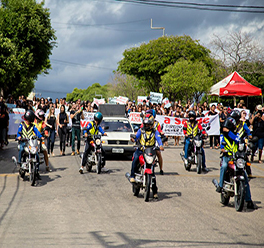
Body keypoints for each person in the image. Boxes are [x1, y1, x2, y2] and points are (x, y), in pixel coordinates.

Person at [216, 114, 256, 209]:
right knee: (224, 166)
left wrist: (247, 148)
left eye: (226, 127)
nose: (224, 128)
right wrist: (223, 149)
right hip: (227, 156)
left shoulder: (236, 133)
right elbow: (222, 145)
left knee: (245, 176)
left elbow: (238, 140)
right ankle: (221, 186)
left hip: (237, 158)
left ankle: (249, 200)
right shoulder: (222, 136)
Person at [130, 114, 164, 198]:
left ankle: (155, 191)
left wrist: (160, 145)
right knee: (135, 159)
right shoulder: (140, 130)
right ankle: (132, 176)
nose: (147, 126)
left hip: (150, 151)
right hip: (141, 150)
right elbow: (136, 137)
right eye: (145, 124)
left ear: (152, 124)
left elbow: (159, 139)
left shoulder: (155, 131)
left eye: (148, 124)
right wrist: (133, 139)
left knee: (152, 171)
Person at [17, 110, 43, 178]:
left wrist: (41, 137)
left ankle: (36, 171)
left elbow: (37, 132)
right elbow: (19, 132)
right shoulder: (22, 124)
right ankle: (19, 162)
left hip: (30, 143)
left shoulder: (33, 126)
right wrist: (19, 137)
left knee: (36, 154)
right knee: (21, 149)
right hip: (24, 142)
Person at [146, 109, 165, 175]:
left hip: (155, 140)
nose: (147, 115)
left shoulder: (157, 123)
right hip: (146, 140)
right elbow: (141, 129)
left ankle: (161, 169)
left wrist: (162, 133)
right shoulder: (145, 122)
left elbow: (159, 130)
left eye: (149, 114)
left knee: (158, 153)